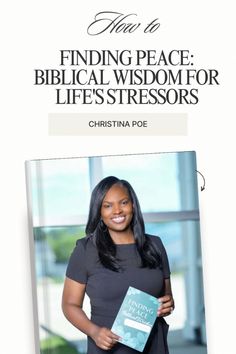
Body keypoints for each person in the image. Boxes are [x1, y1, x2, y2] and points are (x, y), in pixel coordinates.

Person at [62, 176, 174, 354]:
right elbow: (69, 304)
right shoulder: (85, 250)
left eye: (123, 202)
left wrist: (168, 304)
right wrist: (94, 331)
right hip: (109, 348)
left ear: (133, 205)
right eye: (107, 205)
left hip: (154, 346)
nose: (117, 211)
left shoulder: (155, 245)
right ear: (98, 211)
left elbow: (166, 295)